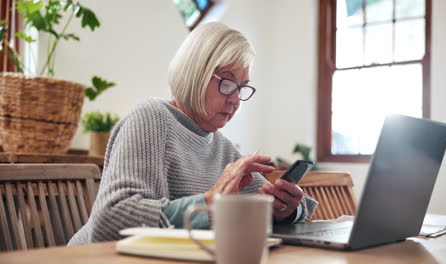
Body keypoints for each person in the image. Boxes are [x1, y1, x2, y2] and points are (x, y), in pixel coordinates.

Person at [68, 22, 317, 245]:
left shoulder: (220, 145)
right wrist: (209, 204)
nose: (235, 100)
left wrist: (284, 209)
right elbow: (112, 218)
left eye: (242, 87)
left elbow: (280, 206)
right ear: (196, 73)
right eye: (227, 83)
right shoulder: (151, 118)